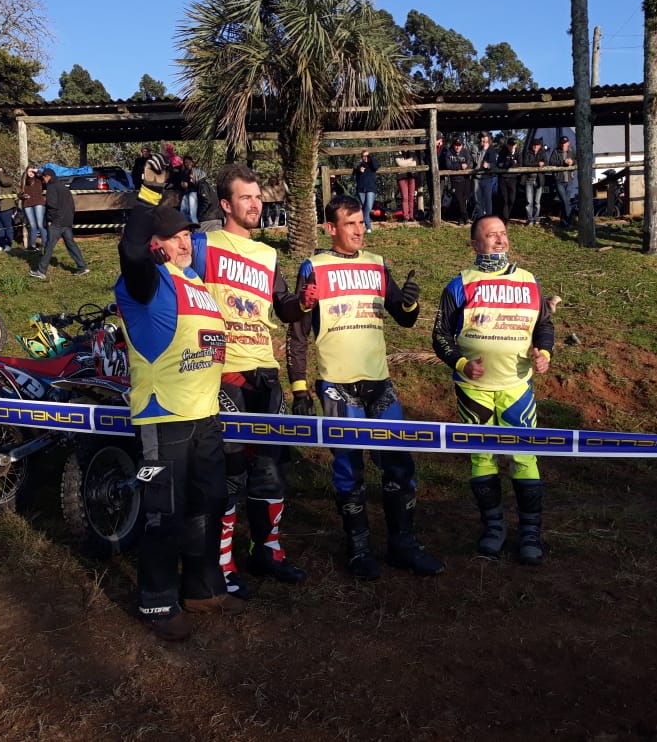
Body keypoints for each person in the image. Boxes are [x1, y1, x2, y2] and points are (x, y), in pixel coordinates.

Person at [287, 194, 444, 578]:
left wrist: (410, 303)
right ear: (331, 228)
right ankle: (358, 549)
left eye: (361, 222)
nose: (360, 230)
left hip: (379, 383)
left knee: (399, 463)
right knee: (349, 467)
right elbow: (298, 331)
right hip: (337, 385)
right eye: (351, 223)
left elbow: (403, 318)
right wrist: (299, 388)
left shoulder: (376, 263)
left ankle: (403, 545)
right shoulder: (314, 267)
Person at [191, 164, 316, 600]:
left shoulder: (267, 254)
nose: (256, 204)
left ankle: (268, 552)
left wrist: (302, 303)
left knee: (270, 470)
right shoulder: (204, 244)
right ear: (226, 204)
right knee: (229, 474)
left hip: (266, 370)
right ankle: (221, 563)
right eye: (246, 197)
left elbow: (282, 306)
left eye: (259, 197)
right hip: (223, 372)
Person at [115, 200, 232, 642]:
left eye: (187, 235)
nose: (184, 243)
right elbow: (130, 250)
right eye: (173, 237)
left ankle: (202, 588)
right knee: (164, 513)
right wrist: (148, 197)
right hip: (163, 417)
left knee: (209, 504)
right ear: (154, 245)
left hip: (205, 414)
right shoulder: (145, 282)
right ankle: (158, 601)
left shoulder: (193, 280)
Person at [431, 214, 555, 564]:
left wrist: (544, 354)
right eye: (491, 236)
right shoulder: (460, 284)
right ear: (475, 244)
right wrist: (460, 363)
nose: (500, 240)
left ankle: (530, 533)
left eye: (503, 234)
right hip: (474, 389)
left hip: (517, 386)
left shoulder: (529, 281)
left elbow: (545, 326)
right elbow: (440, 335)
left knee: (523, 456)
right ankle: (493, 528)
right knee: (482, 456)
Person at [28, 168, 89, 279]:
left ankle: (41, 271)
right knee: (70, 244)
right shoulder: (63, 187)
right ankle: (82, 266)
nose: (43, 181)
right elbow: (71, 205)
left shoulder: (52, 188)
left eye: (43, 178)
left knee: (49, 245)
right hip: (67, 220)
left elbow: (52, 205)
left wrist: (50, 219)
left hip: (57, 221)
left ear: (48, 177)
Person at [443, 137, 472, 226]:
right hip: (455, 180)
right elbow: (448, 166)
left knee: (464, 200)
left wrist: (466, 166)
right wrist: (460, 166)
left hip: (466, 180)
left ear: (462, 145)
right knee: (459, 200)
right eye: (456, 145)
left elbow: (469, 163)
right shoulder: (449, 152)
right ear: (453, 145)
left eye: (459, 145)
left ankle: (460, 219)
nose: (457, 147)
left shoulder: (465, 152)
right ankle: (466, 218)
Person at [548, 136, 575, 227]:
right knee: (564, 200)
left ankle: (563, 222)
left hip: (569, 180)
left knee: (565, 201)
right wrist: (563, 162)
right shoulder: (556, 151)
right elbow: (551, 163)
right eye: (562, 143)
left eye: (565, 143)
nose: (563, 145)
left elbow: (577, 160)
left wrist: (572, 162)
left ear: (568, 143)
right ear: (560, 144)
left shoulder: (572, 151)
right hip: (559, 180)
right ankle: (570, 219)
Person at [19, 164, 47, 251]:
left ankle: (45, 244)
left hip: (38, 203)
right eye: (29, 171)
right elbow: (19, 193)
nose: (31, 173)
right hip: (27, 204)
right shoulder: (24, 181)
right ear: (26, 172)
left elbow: (45, 175)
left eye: (32, 171)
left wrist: (36, 171)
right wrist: (23, 196)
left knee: (40, 224)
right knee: (32, 226)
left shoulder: (39, 179)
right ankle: (32, 245)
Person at [522, 137, 548, 225]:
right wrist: (538, 164)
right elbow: (525, 163)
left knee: (537, 201)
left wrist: (543, 164)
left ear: (540, 146)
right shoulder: (527, 152)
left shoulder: (542, 153)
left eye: (537, 145)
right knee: (529, 201)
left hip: (539, 179)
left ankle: (536, 218)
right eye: (534, 145)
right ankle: (530, 219)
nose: (535, 146)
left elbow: (546, 162)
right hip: (529, 179)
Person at [353, 149, 379, 233]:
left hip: (371, 189)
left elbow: (376, 166)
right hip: (361, 190)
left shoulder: (373, 165)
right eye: (364, 156)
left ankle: (363, 225)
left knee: (368, 208)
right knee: (365, 208)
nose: (366, 157)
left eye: (367, 156)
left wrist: (370, 158)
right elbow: (355, 173)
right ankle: (368, 228)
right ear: (362, 157)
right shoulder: (360, 166)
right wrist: (359, 170)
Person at [497, 137, 521, 222]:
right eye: (510, 145)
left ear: (516, 145)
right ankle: (505, 218)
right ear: (507, 145)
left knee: (512, 200)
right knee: (504, 200)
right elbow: (499, 164)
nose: (512, 146)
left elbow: (520, 164)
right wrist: (510, 163)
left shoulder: (518, 153)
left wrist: (512, 164)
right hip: (503, 179)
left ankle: (506, 216)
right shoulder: (503, 152)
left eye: (513, 145)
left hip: (513, 179)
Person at [473, 132, 497, 219]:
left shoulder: (491, 149)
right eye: (482, 138)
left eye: (485, 138)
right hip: (477, 178)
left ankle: (489, 218)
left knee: (488, 200)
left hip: (487, 178)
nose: (484, 140)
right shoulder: (475, 148)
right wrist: (483, 151)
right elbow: (476, 163)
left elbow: (494, 164)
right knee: (478, 200)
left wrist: (489, 165)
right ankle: (481, 219)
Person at [394, 140, 418, 221]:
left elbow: (415, 163)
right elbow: (400, 164)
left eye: (407, 144)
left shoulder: (413, 153)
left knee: (411, 197)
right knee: (405, 197)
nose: (405, 146)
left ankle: (411, 216)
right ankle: (406, 216)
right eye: (403, 144)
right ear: (400, 145)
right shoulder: (397, 153)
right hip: (401, 177)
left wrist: (404, 163)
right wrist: (409, 161)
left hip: (411, 176)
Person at [179, 157, 207, 225]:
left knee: (192, 214)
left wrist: (190, 182)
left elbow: (197, 181)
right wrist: (183, 184)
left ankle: (195, 229)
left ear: (192, 162)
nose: (187, 164)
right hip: (186, 193)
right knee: (183, 212)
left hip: (193, 192)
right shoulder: (184, 172)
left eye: (189, 162)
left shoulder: (196, 170)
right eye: (186, 162)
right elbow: (183, 182)